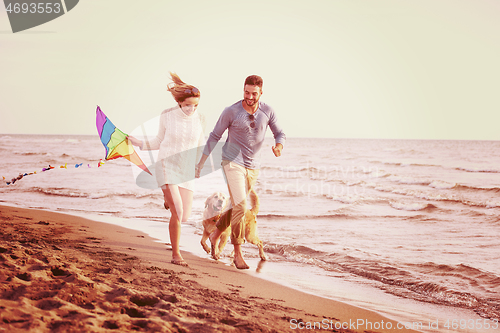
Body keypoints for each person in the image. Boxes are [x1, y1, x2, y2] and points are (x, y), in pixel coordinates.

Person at [195, 75, 285, 269]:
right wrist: (201, 161)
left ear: (261, 92)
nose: (249, 97)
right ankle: (237, 252)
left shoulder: (267, 111)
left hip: (253, 167)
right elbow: (214, 136)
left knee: (236, 204)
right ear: (243, 90)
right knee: (242, 205)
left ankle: (215, 234)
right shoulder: (231, 111)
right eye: (246, 92)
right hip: (231, 161)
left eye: (254, 93)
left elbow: (280, 133)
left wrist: (279, 146)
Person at [129, 73, 205, 267]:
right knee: (178, 212)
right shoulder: (167, 115)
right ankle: (176, 254)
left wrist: (200, 165)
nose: (192, 109)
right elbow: (158, 141)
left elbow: (200, 145)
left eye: (195, 105)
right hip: (166, 166)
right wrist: (139, 143)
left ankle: (167, 198)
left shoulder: (200, 118)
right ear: (179, 102)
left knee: (185, 216)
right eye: (188, 104)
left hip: (186, 170)